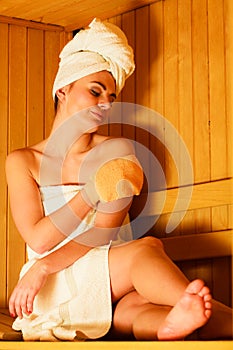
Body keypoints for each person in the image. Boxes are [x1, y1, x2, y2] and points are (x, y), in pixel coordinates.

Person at [5, 18, 232, 341]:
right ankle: (189, 305)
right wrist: (92, 192)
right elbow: (39, 240)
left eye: (111, 96)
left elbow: (105, 232)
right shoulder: (23, 161)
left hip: (116, 274)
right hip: (51, 281)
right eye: (95, 91)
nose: (105, 104)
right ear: (63, 89)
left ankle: (174, 324)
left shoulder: (118, 150)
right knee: (146, 249)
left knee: (134, 310)